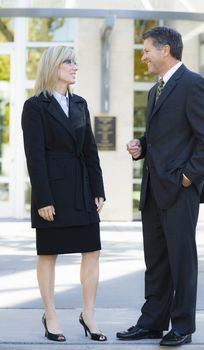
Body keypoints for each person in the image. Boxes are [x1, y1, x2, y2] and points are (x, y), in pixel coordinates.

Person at [116, 26, 204, 347]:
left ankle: (182, 326)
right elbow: (165, 137)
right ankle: (151, 322)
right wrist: (142, 145)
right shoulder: (155, 91)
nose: (143, 56)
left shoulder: (193, 84)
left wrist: (190, 177)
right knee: (157, 261)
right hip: (152, 189)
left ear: (165, 50)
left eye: (147, 50)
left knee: (181, 260)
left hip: (179, 189)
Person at [21, 46, 107, 342]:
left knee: (92, 251)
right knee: (48, 253)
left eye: (75, 61)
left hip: (82, 190)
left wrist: (98, 189)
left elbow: (90, 150)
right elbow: (34, 156)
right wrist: (43, 198)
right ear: (54, 66)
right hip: (52, 193)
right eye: (69, 62)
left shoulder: (80, 103)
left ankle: (89, 314)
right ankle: (51, 314)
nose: (75, 67)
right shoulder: (35, 106)